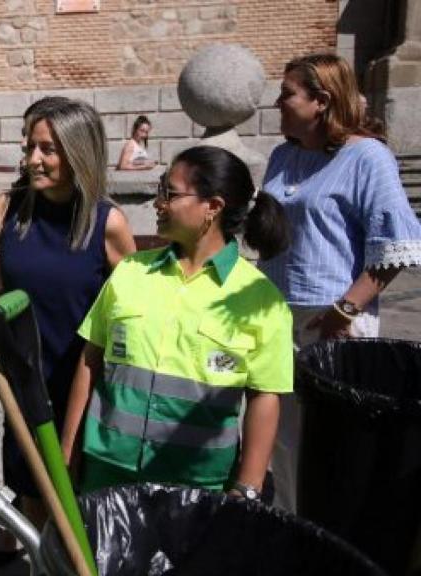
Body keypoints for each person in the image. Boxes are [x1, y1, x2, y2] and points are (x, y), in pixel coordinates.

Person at [0, 97, 136, 564]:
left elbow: (133, 310)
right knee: (33, 487)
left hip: (84, 378)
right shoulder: (10, 208)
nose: (33, 159)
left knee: (78, 492)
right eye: (31, 147)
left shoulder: (108, 222)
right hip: (24, 377)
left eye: (48, 149)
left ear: (78, 152)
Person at [61, 146, 294, 502]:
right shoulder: (130, 272)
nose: (158, 203)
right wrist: (68, 451)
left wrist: (247, 488)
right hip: (107, 472)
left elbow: (264, 397)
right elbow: (90, 360)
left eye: (170, 193)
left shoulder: (262, 300)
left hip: (196, 484)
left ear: (212, 207)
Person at [259, 53, 421, 512]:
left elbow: (396, 245)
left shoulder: (367, 157)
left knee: (335, 444)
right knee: (285, 441)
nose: (278, 102)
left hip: (334, 321)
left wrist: (345, 310)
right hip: (275, 316)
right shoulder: (282, 155)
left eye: (287, 93)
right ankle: (290, 527)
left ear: (321, 100)